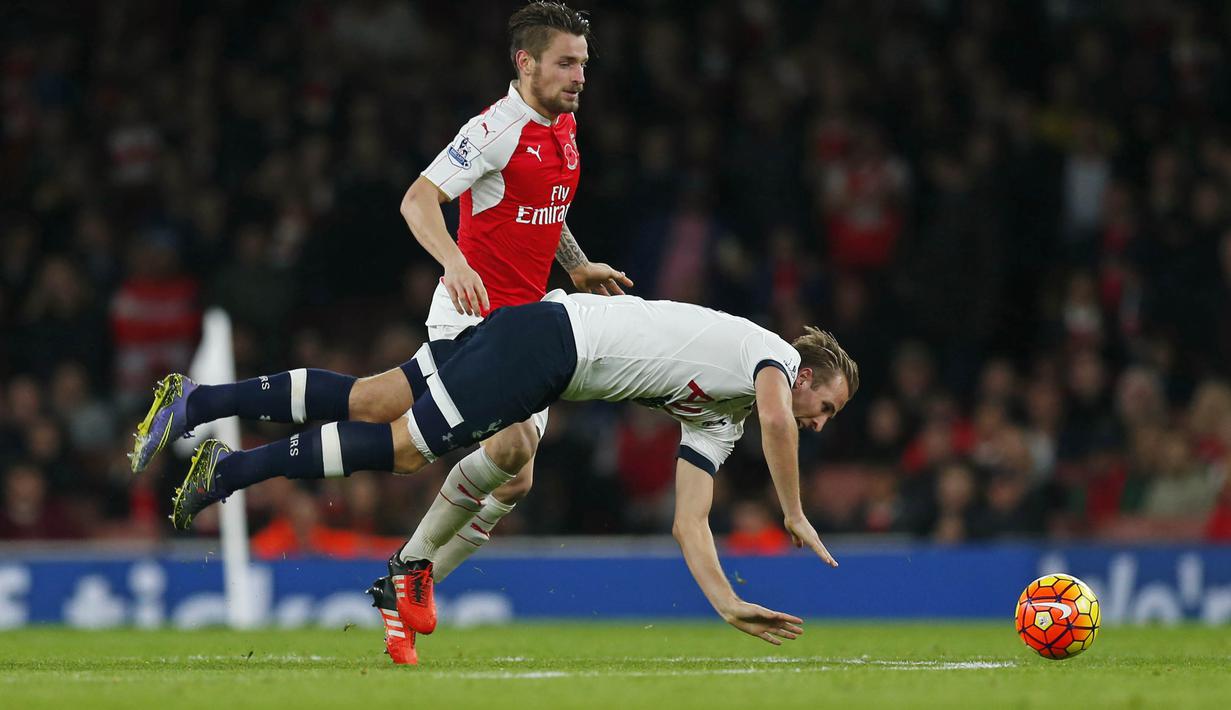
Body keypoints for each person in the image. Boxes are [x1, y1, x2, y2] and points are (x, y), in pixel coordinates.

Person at [137, 291, 858, 663]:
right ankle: (235, 472)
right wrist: (792, 511)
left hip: (548, 354)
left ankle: (201, 405)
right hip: (545, 339)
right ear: (810, 374)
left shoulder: (722, 419)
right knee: (409, 447)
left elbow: (688, 520)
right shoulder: (772, 360)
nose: (817, 421)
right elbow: (778, 422)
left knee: (394, 409)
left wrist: (726, 602)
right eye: (823, 408)